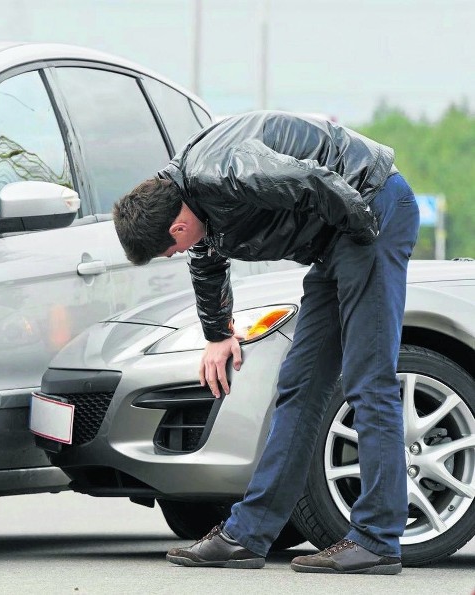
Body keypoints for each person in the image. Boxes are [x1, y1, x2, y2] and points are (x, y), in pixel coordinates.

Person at [113, 111, 419, 575]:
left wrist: (364, 241)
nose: (176, 254)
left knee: (367, 378)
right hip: (338, 238)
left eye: (167, 250)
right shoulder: (187, 194)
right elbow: (208, 259)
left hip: (370, 212)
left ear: (175, 228)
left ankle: (377, 539)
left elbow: (314, 180)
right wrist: (217, 335)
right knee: (299, 384)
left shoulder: (228, 172)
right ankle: (247, 535)